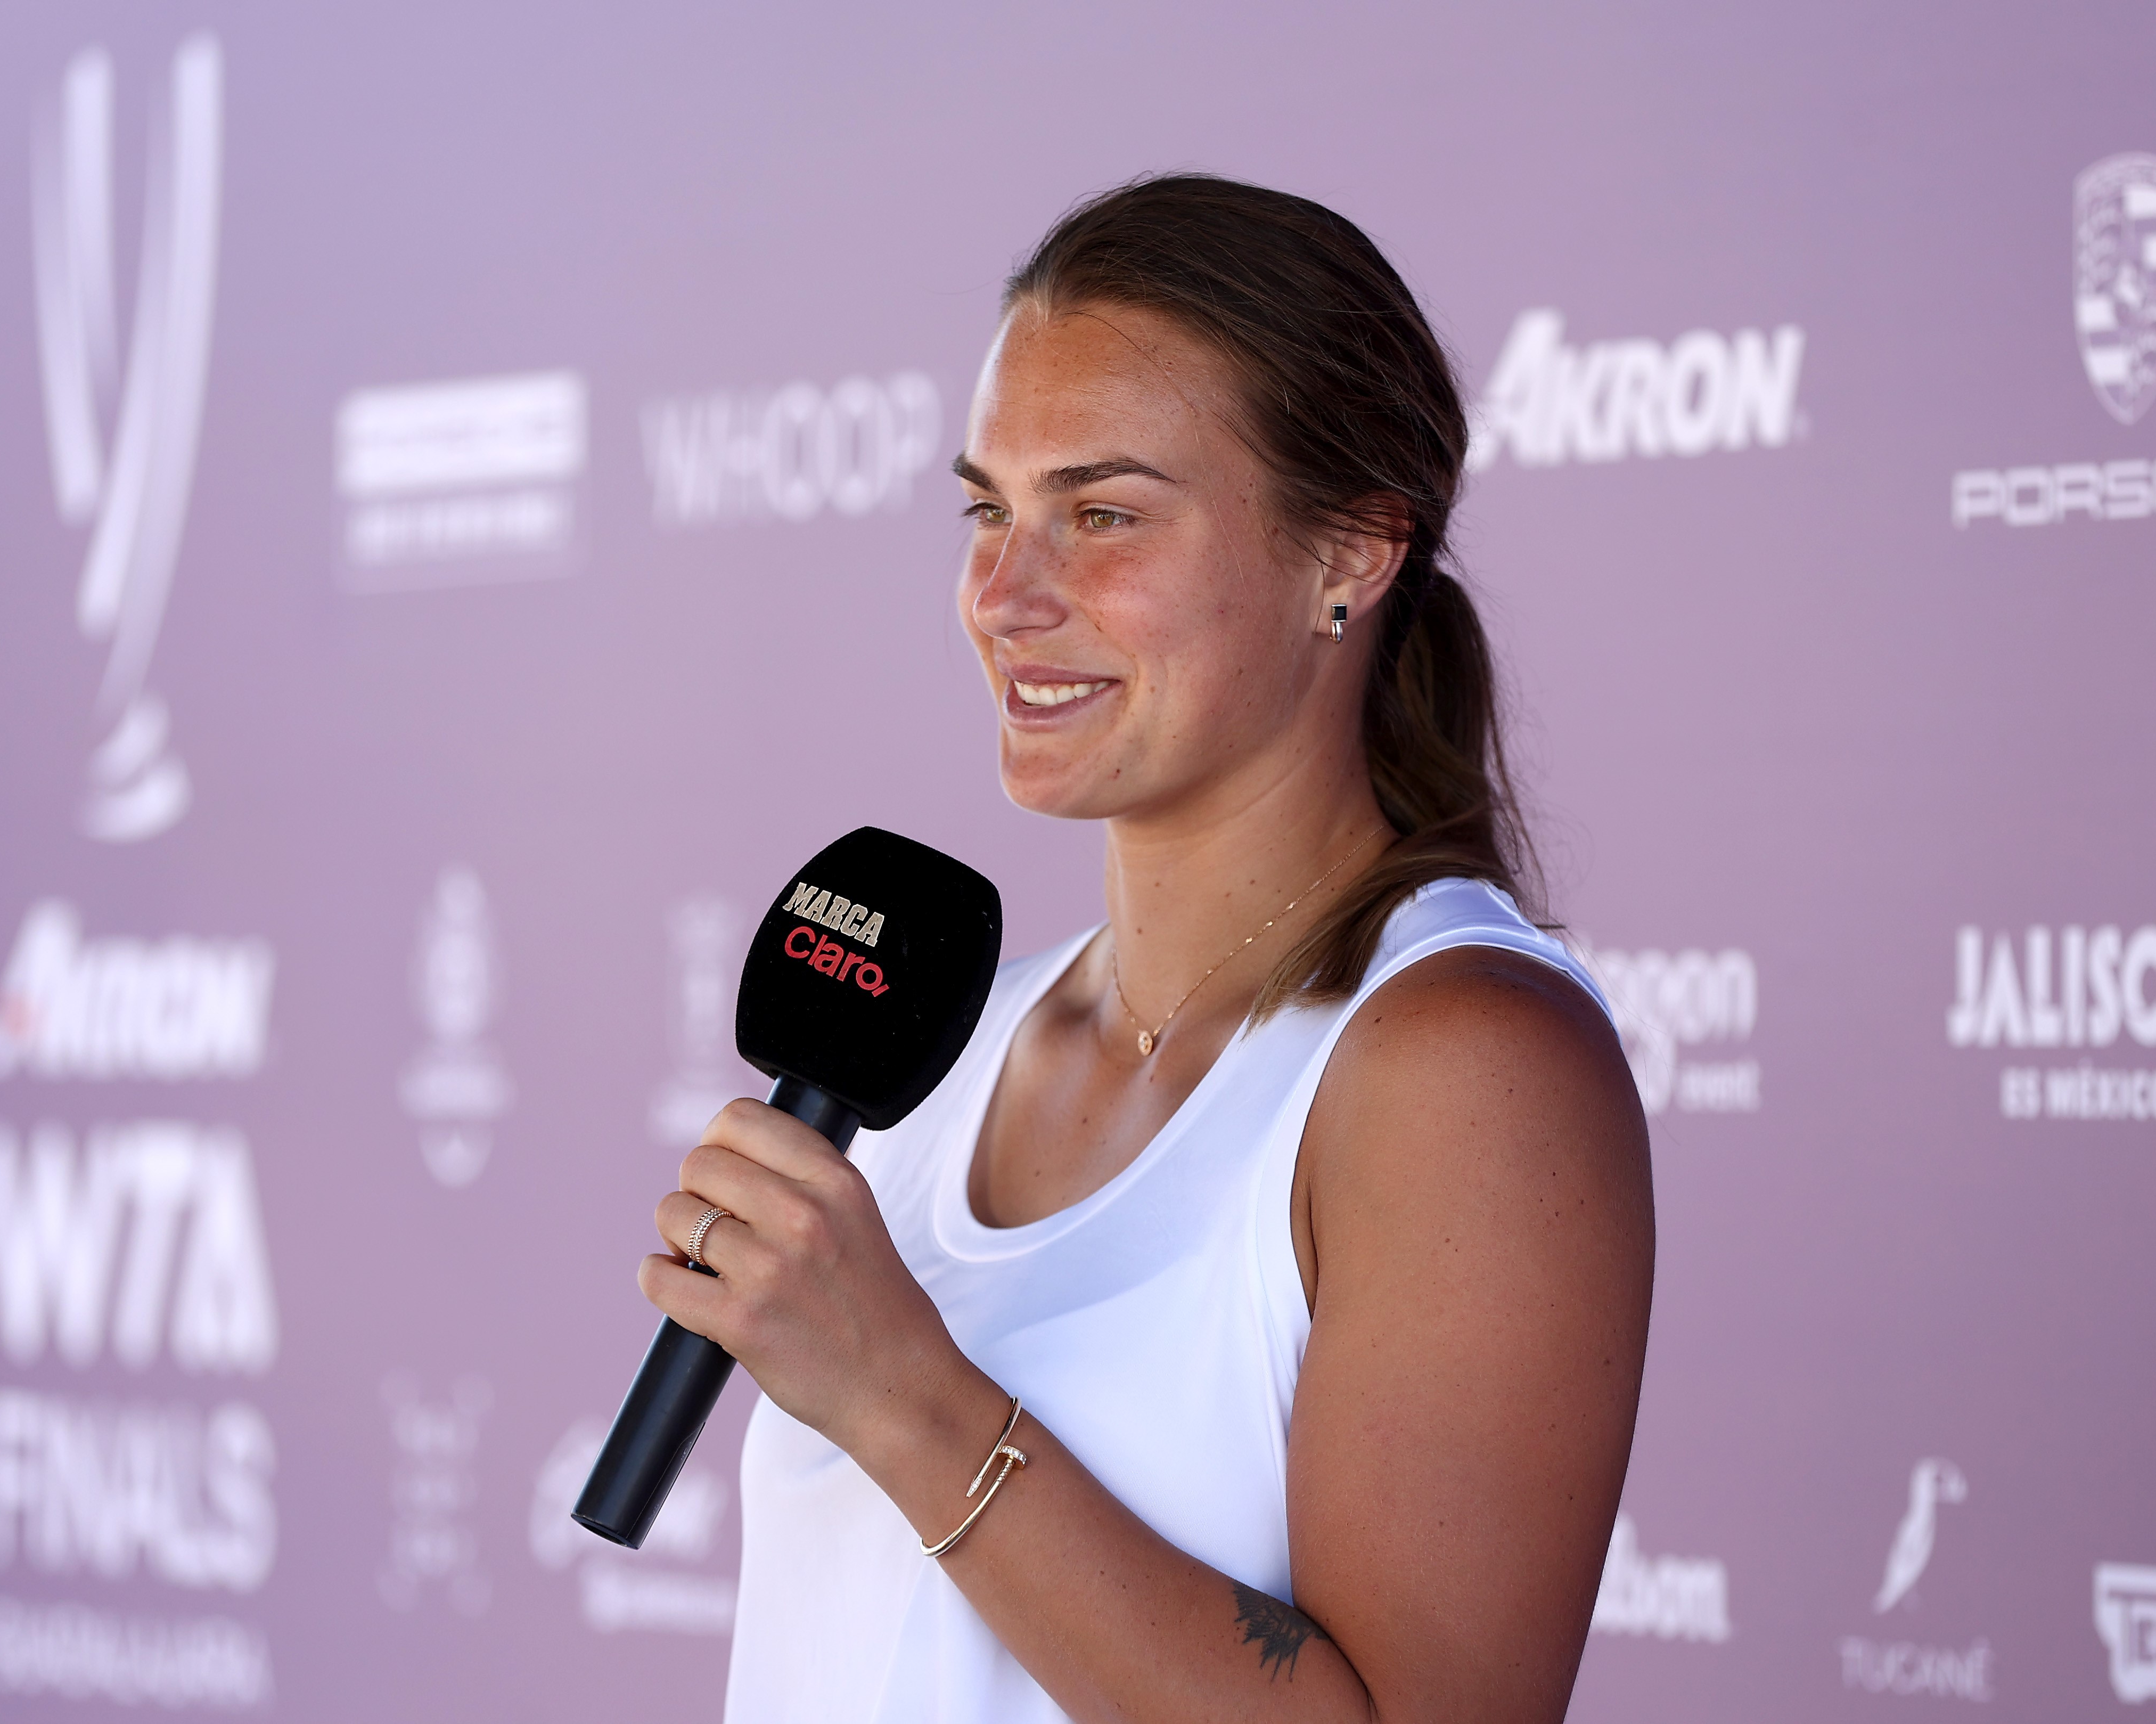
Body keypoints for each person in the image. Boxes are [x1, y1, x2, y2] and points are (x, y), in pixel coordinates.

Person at [641, 173, 1654, 1724]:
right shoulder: (957, 1041)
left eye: (1102, 516)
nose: (1003, 595)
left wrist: (905, 1396)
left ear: (1353, 553)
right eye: (990, 509)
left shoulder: (1465, 1070)